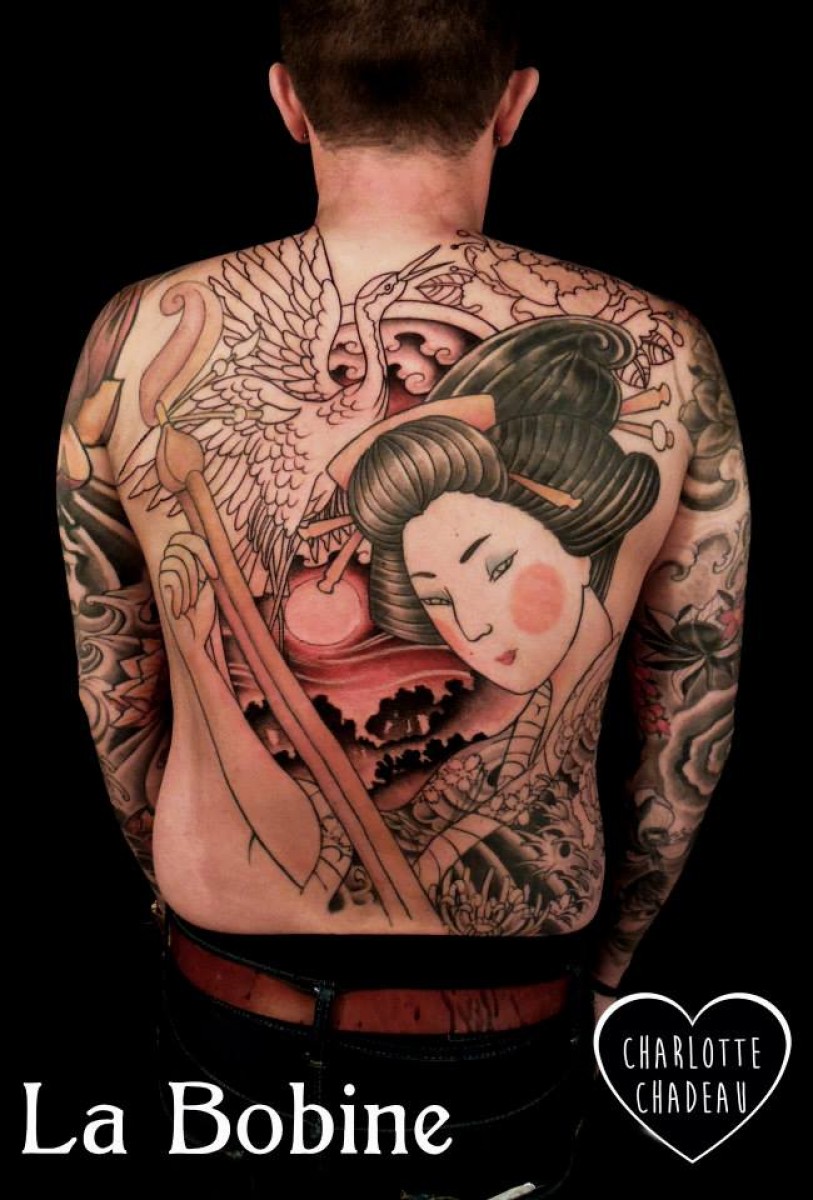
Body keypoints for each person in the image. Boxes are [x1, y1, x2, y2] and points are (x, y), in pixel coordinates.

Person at [54, 2, 750, 1196]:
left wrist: (173, 895)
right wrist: (614, 964)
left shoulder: (134, 335)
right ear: (514, 104)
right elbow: (692, 709)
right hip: (506, 1018)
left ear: (288, 101)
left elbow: (112, 690)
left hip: (229, 999)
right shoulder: (669, 352)